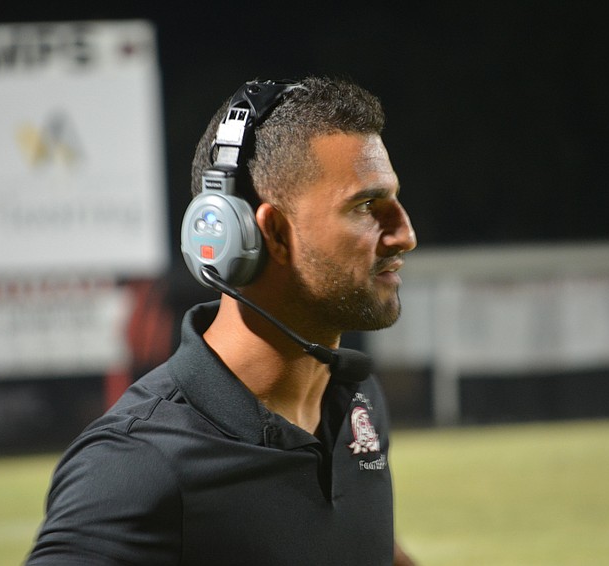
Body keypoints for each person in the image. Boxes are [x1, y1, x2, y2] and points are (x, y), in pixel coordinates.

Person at [26, 76, 418, 565]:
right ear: (272, 232)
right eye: (366, 206)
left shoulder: (354, 398)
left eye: (394, 200)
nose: (405, 234)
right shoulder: (137, 463)